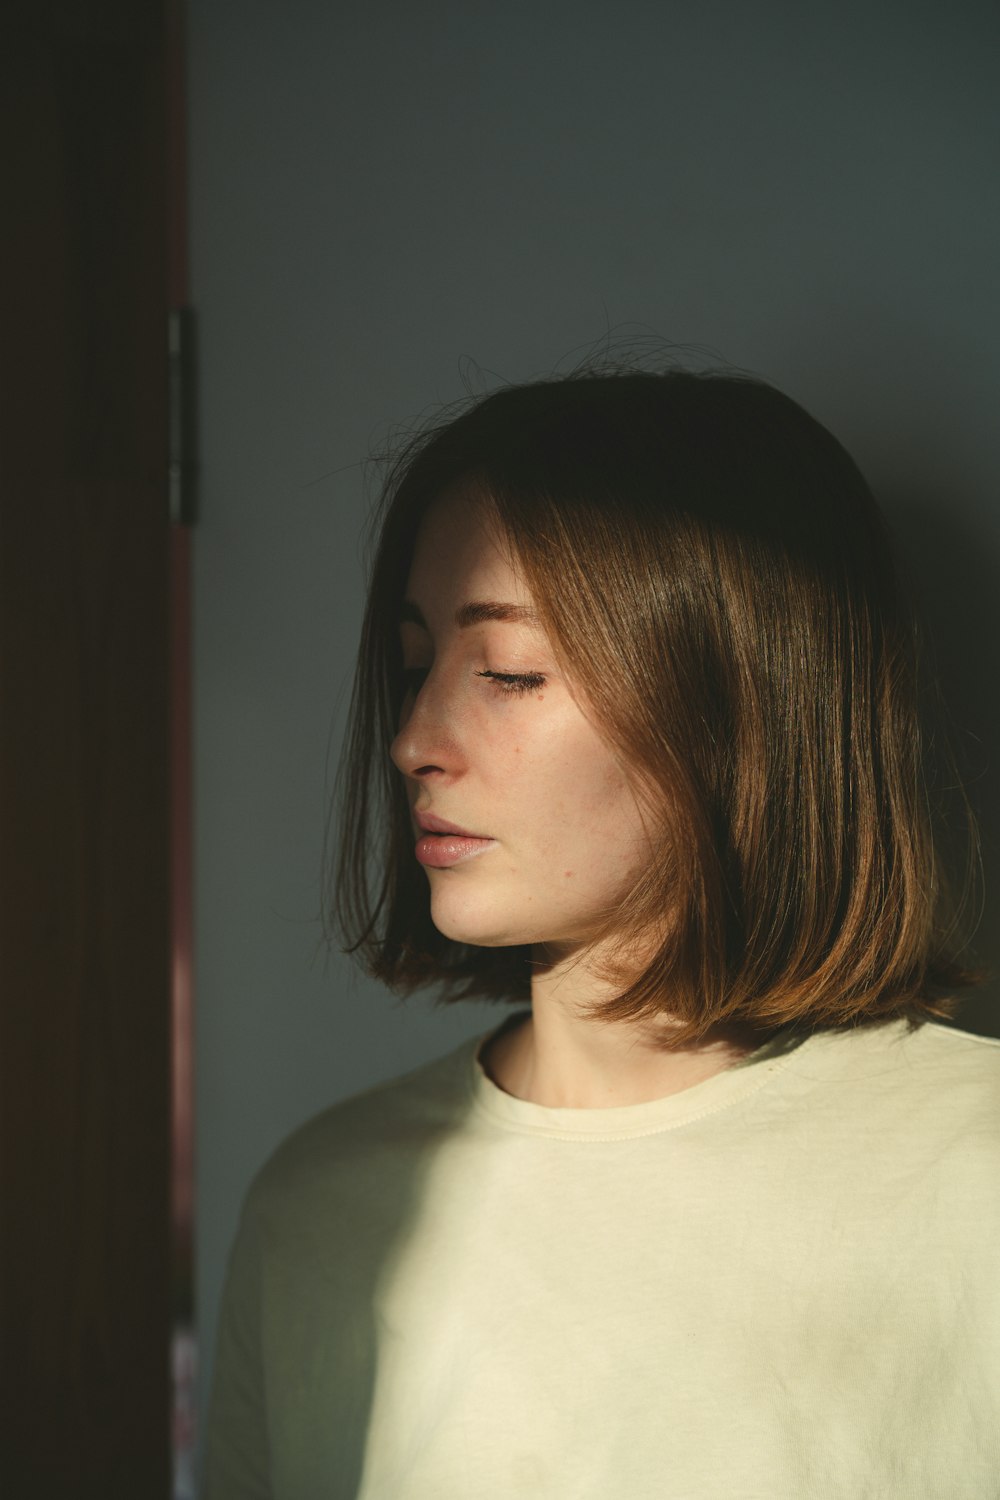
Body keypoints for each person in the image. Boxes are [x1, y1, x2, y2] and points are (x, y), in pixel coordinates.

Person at [202, 367, 1000, 1499]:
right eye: (417, 662)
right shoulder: (322, 1205)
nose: (415, 739)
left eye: (510, 673)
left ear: (741, 701)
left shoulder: (975, 1174)